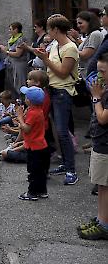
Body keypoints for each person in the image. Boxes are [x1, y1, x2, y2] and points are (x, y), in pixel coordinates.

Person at [32, 14, 80, 186]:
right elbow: (51, 68)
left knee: (62, 131)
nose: (47, 32)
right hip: (52, 90)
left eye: (49, 29)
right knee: (56, 131)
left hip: (63, 92)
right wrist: (44, 56)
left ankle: (71, 170)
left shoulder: (70, 47)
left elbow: (62, 73)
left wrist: (45, 59)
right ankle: (65, 164)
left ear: (55, 29)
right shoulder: (55, 45)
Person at [79, 53, 108, 240]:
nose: (98, 76)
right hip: (100, 141)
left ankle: (104, 224)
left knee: (105, 184)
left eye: (102, 71)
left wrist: (96, 98)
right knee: (101, 184)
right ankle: (101, 219)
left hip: (106, 144)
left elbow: (103, 118)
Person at [14, 86, 49, 201]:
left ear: (29, 100)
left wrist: (19, 117)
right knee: (41, 171)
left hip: (34, 147)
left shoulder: (33, 113)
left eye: (26, 96)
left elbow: (27, 129)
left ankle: (32, 192)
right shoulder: (38, 110)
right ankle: (42, 191)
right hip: (42, 145)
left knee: (33, 172)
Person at [0, 22, 29, 98]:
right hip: (11, 64)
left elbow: (17, 54)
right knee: (13, 84)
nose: (9, 31)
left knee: (20, 84)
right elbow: (11, 50)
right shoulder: (12, 39)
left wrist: (5, 51)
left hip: (19, 64)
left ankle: (23, 102)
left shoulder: (21, 39)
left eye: (10, 29)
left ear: (16, 29)